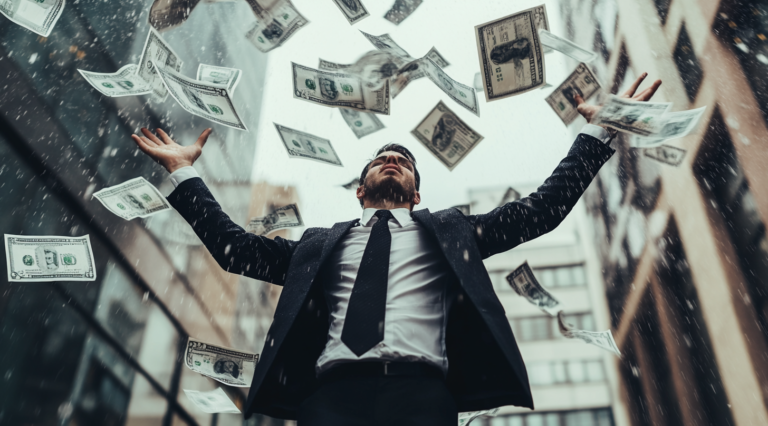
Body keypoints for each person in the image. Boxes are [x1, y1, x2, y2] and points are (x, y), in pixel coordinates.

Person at [131, 74, 661, 425]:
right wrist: (185, 172)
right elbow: (234, 250)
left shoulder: (452, 234)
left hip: (422, 397)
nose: (392, 161)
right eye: (382, 158)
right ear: (360, 189)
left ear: (416, 191)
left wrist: (598, 131)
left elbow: (542, 210)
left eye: (403, 161)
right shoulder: (318, 246)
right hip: (329, 399)